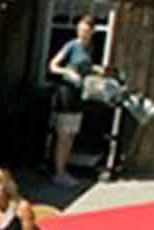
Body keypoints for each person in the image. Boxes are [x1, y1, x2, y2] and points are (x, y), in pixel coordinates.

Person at [48, 12, 100, 186]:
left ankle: (64, 169)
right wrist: (68, 72)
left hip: (80, 94)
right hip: (67, 93)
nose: (82, 34)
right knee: (64, 134)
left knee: (71, 134)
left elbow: (87, 67)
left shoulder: (90, 47)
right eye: (80, 30)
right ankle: (58, 172)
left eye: (85, 31)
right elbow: (53, 65)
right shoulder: (72, 45)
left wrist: (98, 71)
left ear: (92, 32)